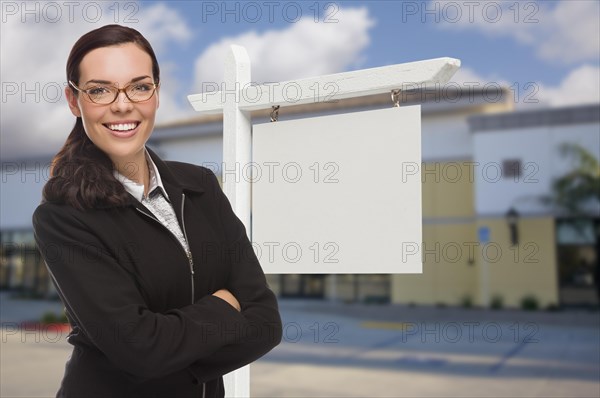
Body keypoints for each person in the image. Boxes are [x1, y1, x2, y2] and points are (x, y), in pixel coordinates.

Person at [32, 24, 282, 397]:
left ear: (156, 93)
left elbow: (265, 322)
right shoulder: (63, 217)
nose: (122, 104)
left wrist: (171, 355)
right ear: (74, 101)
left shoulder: (199, 187)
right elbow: (140, 349)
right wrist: (224, 306)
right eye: (99, 90)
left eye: (139, 86)